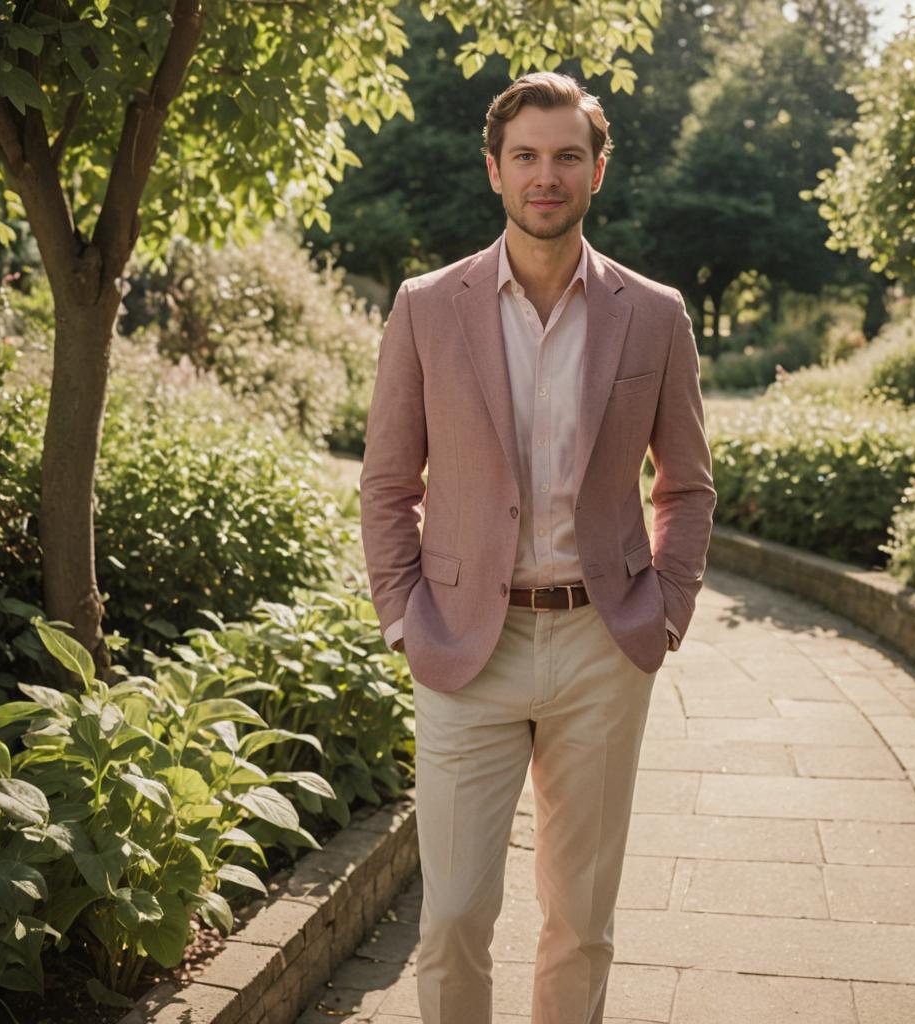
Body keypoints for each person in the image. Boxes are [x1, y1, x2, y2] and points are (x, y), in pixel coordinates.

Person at [359, 70, 716, 1024]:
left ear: (599, 171)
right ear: (495, 170)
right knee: (454, 917)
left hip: (603, 645)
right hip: (465, 648)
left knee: (582, 922)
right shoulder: (427, 306)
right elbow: (389, 483)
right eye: (527, 157)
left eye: (567, 156)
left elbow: (686, 485)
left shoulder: (656, 313)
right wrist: (402, 619)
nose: (545, 175)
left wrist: (665, 609)